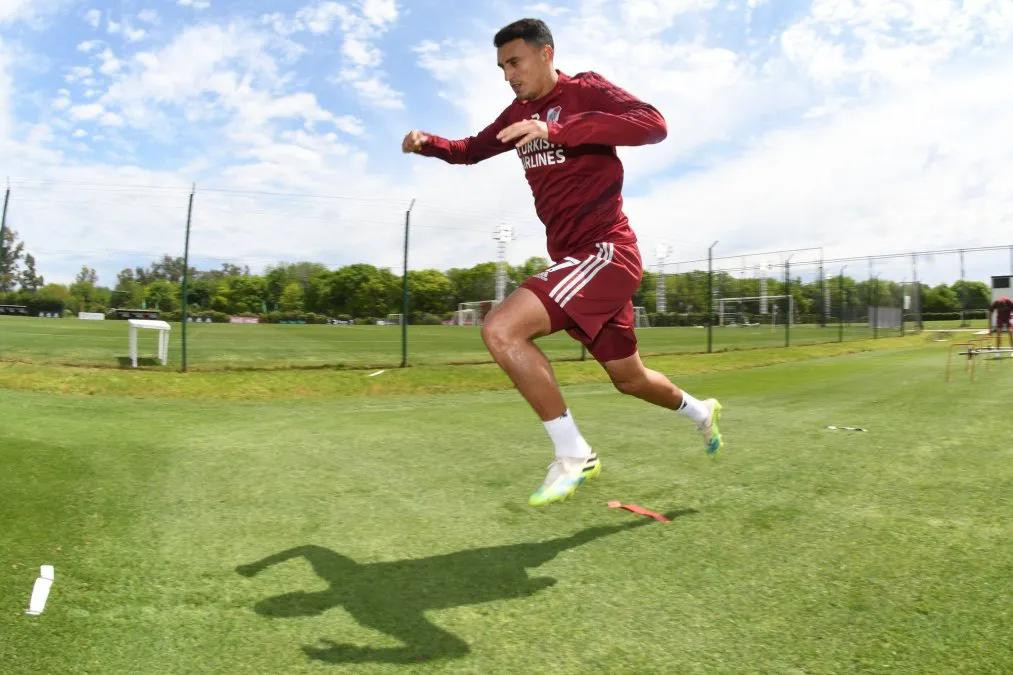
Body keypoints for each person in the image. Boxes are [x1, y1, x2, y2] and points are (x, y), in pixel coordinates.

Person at [402, 18, 723, 507]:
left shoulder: (586, 91)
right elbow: (471, 150)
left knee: (501, 329)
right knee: (629, 379)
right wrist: (429, 144)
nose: (508, 74)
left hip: (607, 251)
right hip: (574, 260)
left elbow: (653, 125)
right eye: (502, 67)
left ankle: (575, 455)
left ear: (546, 53)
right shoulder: (515, 114)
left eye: (515, 62)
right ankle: (700, 411)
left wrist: (557, 129)